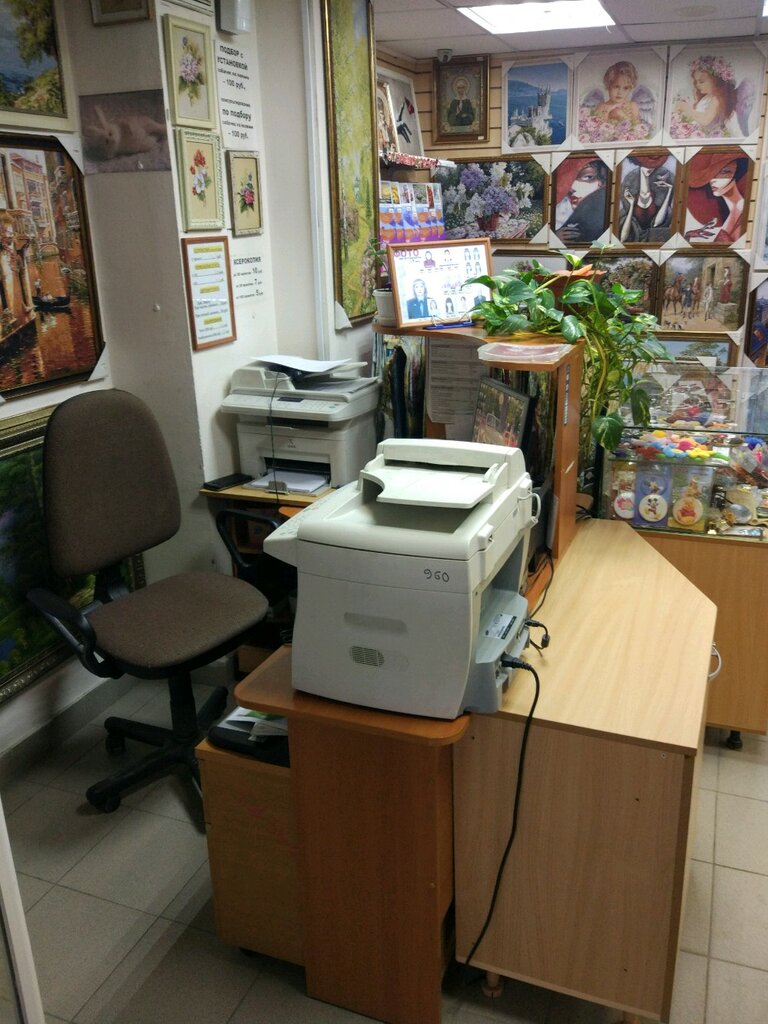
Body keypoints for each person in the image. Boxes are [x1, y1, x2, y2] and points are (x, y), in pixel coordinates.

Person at [684, 152, 750, 244]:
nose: (712, 180)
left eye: (724, 172)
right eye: (710, 175)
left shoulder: (745, 211)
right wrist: (687, 237)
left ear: (737, 172)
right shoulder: (732, 210)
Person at [618, 152, 675, 244]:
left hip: (655, 239)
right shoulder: (630, 180)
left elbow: (657, 223)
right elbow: (623, 238)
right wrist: (631, 205)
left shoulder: (665, 178)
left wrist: (669, 190)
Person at [674, 56, 738, 137]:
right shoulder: (707, 97)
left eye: (701, 81)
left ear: (715, 81)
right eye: (696, 82)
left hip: (711, 136)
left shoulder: (716, 99)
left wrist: (686, 108)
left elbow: (705, 120)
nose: (697, 85)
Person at [553, 157, 609, 244]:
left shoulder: (608, 214)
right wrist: (554, 239)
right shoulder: (560, 210)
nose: (572, 188)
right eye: (569, 180)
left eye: (588, 177)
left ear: (602, 183)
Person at [593, 61, 641, 126]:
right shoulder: (602, 107)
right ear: (608, 86)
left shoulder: (632, 106)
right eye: (616, 87)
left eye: (625, 88)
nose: (620, 92)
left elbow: (637, 128)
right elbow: (596, 128)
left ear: (630, 88)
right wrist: (607, 115)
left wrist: (622, 116)